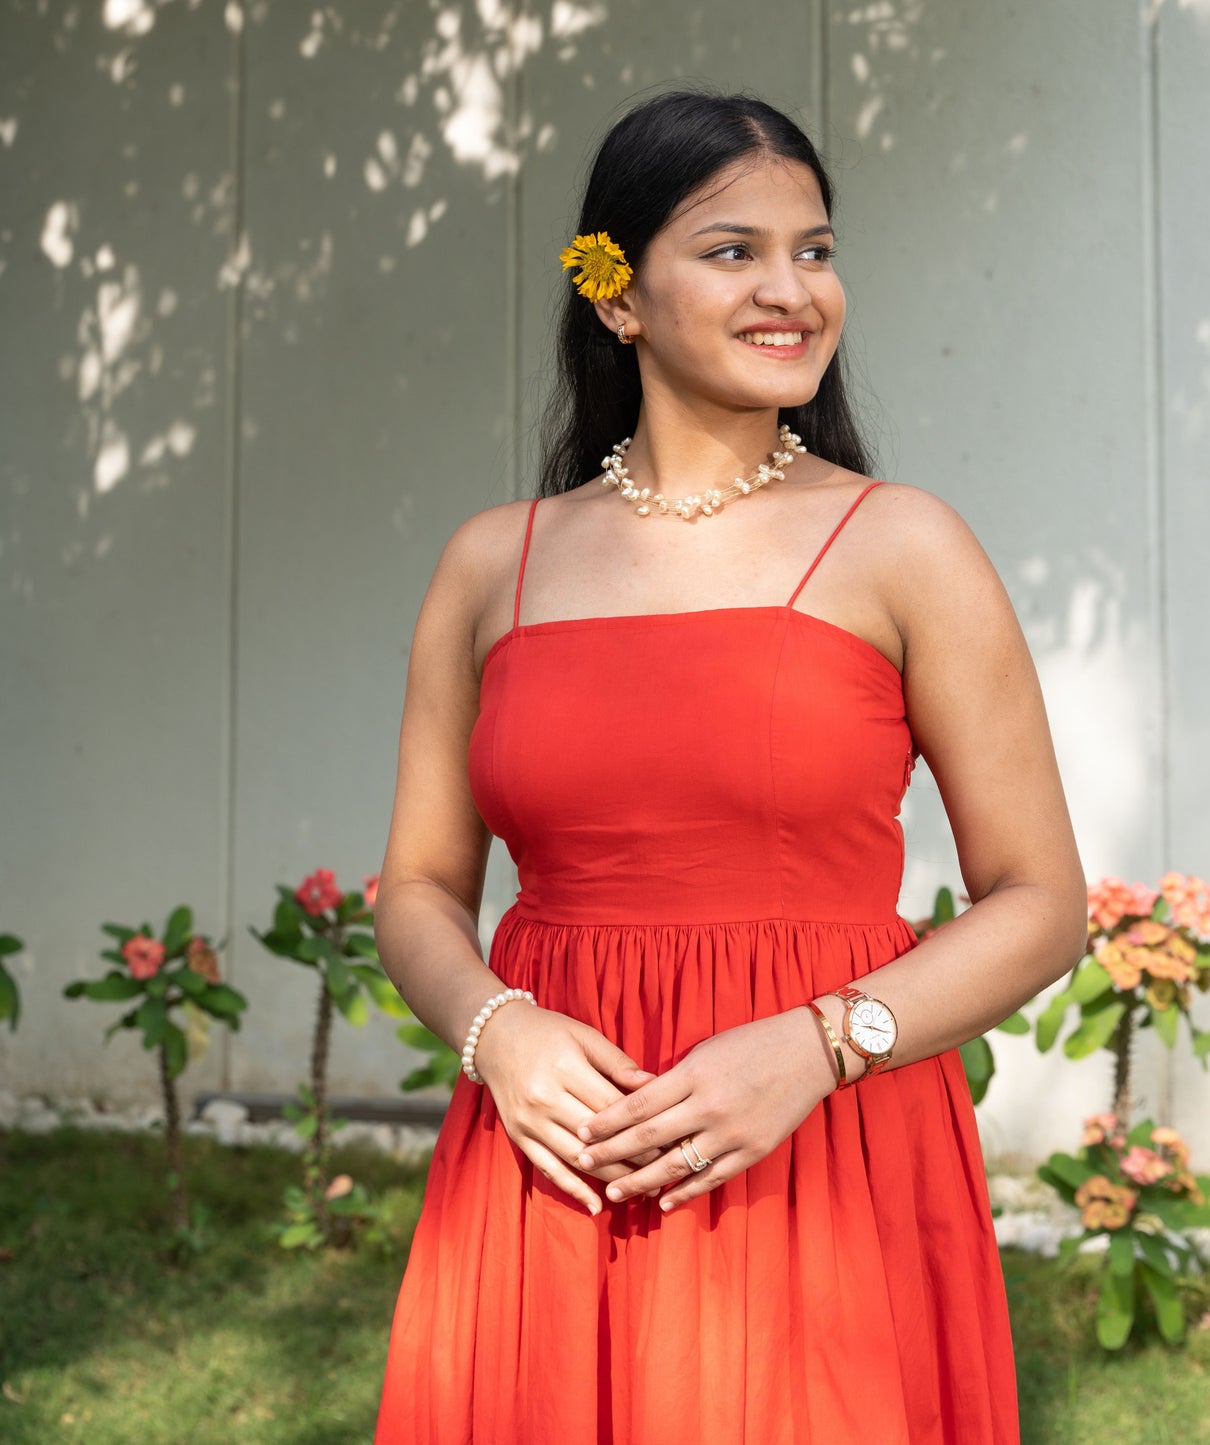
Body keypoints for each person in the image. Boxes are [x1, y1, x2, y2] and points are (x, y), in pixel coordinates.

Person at [372, 88, 1086, 1445]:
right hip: (550, 1161)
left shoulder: (903, 545)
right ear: (617, 296)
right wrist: (494, 1028)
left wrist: (823, 1043)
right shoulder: (490, 563)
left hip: (819, 1155)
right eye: (732, 249)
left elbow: (1039, 897)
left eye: (814, 250)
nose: (791, 289)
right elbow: (414, 883)